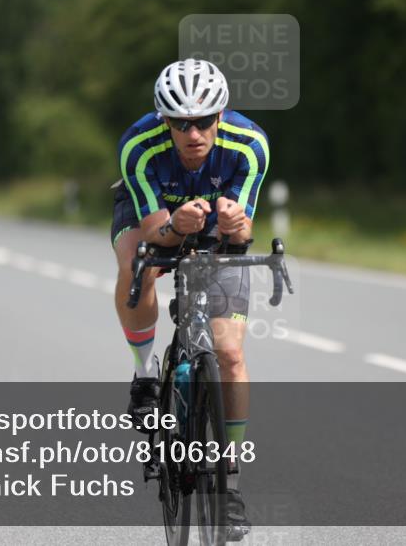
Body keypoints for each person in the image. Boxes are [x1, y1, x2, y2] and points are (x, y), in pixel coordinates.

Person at [111, 58, 269, 539]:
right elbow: (154, 229)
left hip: (215, 226)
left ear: (221, 116)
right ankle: (144, 375)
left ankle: (231, 484)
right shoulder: (138, 147)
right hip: (155, 214)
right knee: (135, 260)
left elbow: (244, 230)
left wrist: (237, 223)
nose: (193, 133)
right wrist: (174, 227)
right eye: (181, 123)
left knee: (230, 353)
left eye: (203, 121)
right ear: (165, 121)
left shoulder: (250, 145)